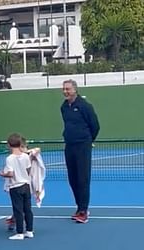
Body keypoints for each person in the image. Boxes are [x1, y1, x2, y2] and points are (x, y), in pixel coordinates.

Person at [61, 79, 100, 223]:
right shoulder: (64, 107)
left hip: (83, 146)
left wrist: (89, 141)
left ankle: (83, 211)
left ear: (75, 90)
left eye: (68, 89)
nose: (65, 91)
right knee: (73, 179)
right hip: (69, 146)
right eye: (64, 89)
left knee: (83, 179)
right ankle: (80, 207)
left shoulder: (85, 106)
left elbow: (95, 125)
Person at [0, 133, 34, 240]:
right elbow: (28, 170)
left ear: (9, 145)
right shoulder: (25, 156)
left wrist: (2, 174)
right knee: (28, 209)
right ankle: (29, 231)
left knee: (18, 210)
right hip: (26, 186)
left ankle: (19, 233)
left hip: (15, 187)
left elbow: (10, 174)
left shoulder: (10, 158)